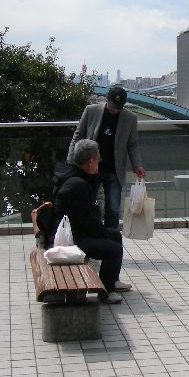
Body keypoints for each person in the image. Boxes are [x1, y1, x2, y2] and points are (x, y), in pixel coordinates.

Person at [54, 139, 132, 304]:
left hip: (74, 231)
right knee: (113, 249)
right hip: (71, 239)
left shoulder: (73, 175)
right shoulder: (77, 184)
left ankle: (112, 281)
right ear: (90, 162)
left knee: (115, 235)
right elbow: (88, 221)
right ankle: (106, 292)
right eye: (98, 159)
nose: (99, 162)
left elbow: (87, 217)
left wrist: (103, 231)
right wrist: (102, 233)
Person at [68, 86, 147, 228]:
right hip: (91, 168)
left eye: (118, 107)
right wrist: (72, 160)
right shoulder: (91, 111)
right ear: (106, 99)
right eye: (112, 106)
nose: (115, 110)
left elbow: (132, 144)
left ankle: (112, 237)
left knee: (113, 209)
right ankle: (89, 234)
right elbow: (78, 135)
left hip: (114, 170)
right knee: (87, 205)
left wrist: (137, 165)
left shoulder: (130, 118)